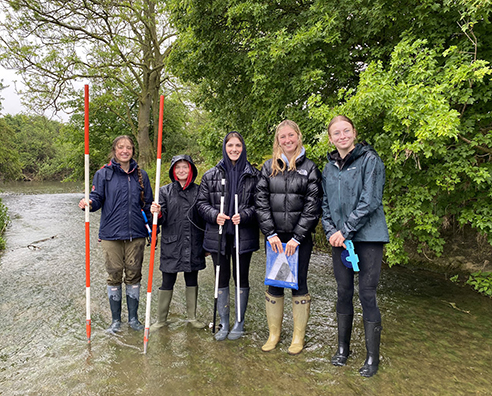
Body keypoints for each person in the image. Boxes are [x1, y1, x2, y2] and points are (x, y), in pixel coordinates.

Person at [321, 115, 389, 377]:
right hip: (339, 240)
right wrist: (331, 232)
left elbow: (370, 200)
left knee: (367, 294)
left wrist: (345, 230)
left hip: (368, 237)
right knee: (343, 292)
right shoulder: (327, 168)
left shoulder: (370, 160)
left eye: (346, 131)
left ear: (354, 133)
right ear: (330, 138)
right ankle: (343, 349)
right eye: (336, 133)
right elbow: (325, 203)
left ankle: (373, 358)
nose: (342, 136)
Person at [255, 119, 321, 355]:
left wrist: (297, 237)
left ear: (298, 137)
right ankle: (274, 334)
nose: (287, 140)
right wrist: (270, 232)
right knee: (274, 284)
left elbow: (313, 206)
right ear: (278, 140)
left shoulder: (310, 168)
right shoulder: (267, 167)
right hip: (274, 238)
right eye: (282, 137)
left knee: (298, 283)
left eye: (291, 136)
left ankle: (297, 338)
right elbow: (260, 202)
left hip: (299, 239)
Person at [78, 135, 153, 332]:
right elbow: (96, 197)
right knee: (114, 276)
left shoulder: (141, 175)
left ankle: (134, 320)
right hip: (111, 234)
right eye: (121, 147)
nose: (125, 151)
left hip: (136, 234)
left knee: (134, 275)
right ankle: (116, 321)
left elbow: (148, 206)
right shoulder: (103, 174)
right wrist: (89, 203)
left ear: (133, 151)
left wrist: (153, 230)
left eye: (128, 148)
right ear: (114, 150)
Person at [196, 131, 259, 341]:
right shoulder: (210, 175)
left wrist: (247, 215)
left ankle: (239, 322)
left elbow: (261, 205)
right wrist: (215, 215)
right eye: (230, 145)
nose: (234, 149)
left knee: (241, 277)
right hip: (219, 234)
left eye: (238, 146)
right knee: (220, 277)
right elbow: (201, 204)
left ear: (243, 148)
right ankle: (224, 321)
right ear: (224, 147)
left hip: (243, 234)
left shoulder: (254, 175)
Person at [149, 155, 206, 330]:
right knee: (167, 281)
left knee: (192, 279)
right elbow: (162, 219)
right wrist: (157, 213)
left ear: (191, 170)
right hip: (171, 244)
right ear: (173, 171)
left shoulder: (199, 191)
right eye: (178, 167)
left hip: (193, 243)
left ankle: (192, 317)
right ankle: (161, 320)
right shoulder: (164, 191)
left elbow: (203, 218)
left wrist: (207, 244)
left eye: (185, 167)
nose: (182, 170)